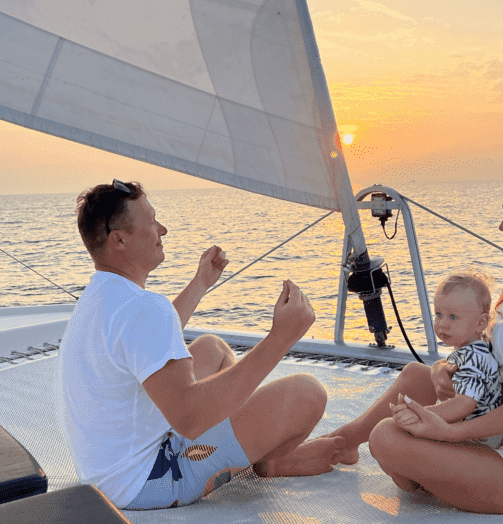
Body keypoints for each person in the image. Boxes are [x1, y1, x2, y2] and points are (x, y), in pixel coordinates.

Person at [329, 162, 503, 514]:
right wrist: (448, 371)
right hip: (500, 436)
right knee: (417, 376)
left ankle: (416, 467)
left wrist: (448, 433)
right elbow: (491, 356)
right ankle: (342, 443)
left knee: (386, 437)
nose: (502, 226)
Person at [58, 180, 345, 511]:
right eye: (151, 220)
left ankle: (251, 448)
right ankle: (269, 462)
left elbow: (147, 340)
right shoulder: (143, 307)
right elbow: (190, 420)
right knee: (307, 394)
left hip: (106, 477)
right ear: (119, 239)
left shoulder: (102, 295)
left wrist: (199, 283)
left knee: (211, 349)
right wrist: (281, 338)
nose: (161, 229)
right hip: (148, 482)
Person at [426, 271, 503, 443]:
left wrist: (421, 413)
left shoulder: (473, 357)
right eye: (439, 314)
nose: (443, 323)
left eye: (453, 317)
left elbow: (463, 406)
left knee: (392, 433)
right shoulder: (475, 348)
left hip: (473, 441)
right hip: (469, 434)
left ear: (481, 323)